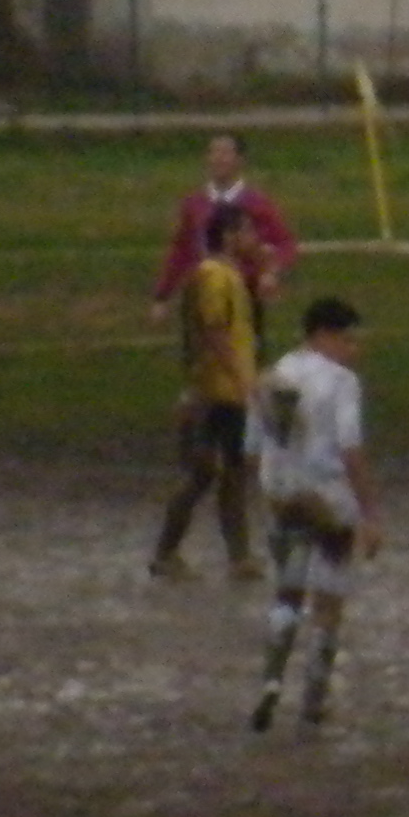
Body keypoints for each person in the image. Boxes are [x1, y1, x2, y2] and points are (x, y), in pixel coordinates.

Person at [247, 298, 379, 734]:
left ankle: (271, 682)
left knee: (286, 593)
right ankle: (313, 703)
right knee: (328, 601)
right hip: (328, 500)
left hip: (282, 496)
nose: (354, 350)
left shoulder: (272, 377)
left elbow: (252, 449)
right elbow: (351, 449)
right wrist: (369, 512)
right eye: (349, 339)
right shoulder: (341, 382)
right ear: (324, 334)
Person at [153, 204, 264, 582]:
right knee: (205, 472)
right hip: (216, 392)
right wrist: (241, 378)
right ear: (230, 236)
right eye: (248, 231)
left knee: (231, 471)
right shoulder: (214, 276)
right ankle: (167, 553)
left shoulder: (230, 275)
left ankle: (238, 556)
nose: (255, 239)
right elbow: (214, 331)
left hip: (226, 390)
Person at [154, 133, 298, 324]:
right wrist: (163, 295)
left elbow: (285, 244)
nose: (218, 159)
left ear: (240, 160)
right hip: (201, 295)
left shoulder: (258, 204)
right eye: (213, 152)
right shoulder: (194, 204)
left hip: (244, 295)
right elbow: (181, 250)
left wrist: (271, 272)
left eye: (225, 153)